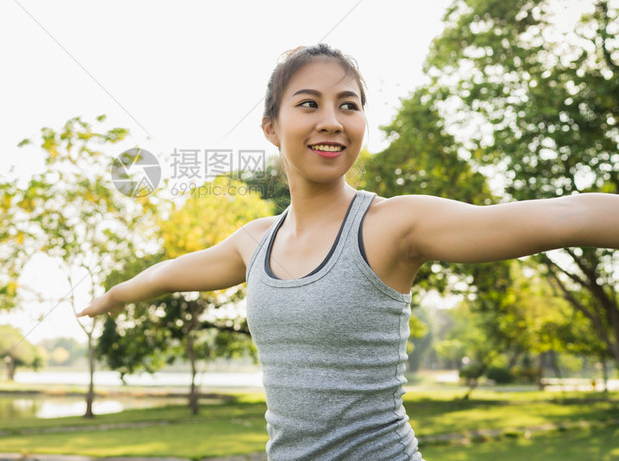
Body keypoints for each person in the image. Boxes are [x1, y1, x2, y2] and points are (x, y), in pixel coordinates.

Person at [78, 44, 619, 460]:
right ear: (271, 127)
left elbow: (561, 216)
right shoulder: (254, 241)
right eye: (309, 103)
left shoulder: (390, 226)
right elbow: (169, 274)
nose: (332, 119)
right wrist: (114, 296)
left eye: (349, 105)